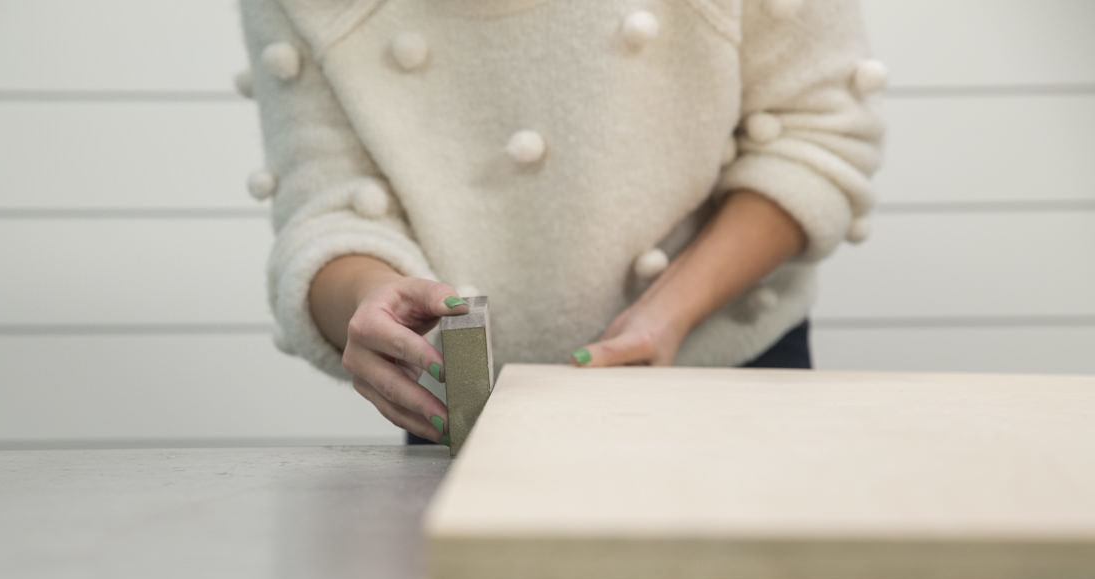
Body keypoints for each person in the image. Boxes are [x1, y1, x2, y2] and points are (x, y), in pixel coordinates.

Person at [238, 0, 886, 447]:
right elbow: (325, 202)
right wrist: (366, 300)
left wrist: (670, 312)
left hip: (732, 376)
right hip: (466, 413)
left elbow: (817, 131)